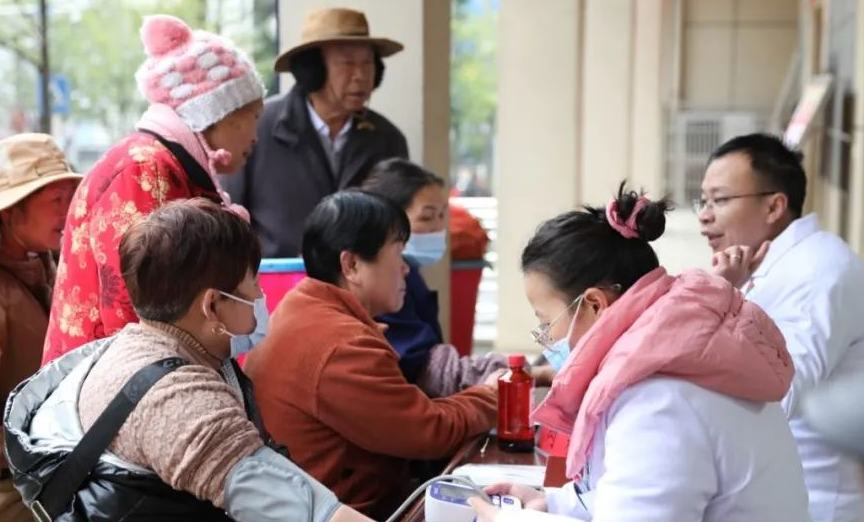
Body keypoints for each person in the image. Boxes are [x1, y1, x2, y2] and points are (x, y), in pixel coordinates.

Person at [5, 199, 374, 522]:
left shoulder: (139, 344)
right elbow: (305, 512)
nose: (262, 296)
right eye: (252, 285)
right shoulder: (178, 403)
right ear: (212, 305)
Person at [469, 184, 808, 522]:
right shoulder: (682, 353)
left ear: (594, 304)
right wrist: (556, 505)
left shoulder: (657, 395)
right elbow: (646, 486)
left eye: (546, 322)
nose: (547, 339)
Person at [245, 191, 497, 519]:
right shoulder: (340, 345)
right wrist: (492, 396)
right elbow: (428, 431)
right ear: (351, 265)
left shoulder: (303, 308)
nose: (406, 268)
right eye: (398, 253)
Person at [42, 14, 266, 363]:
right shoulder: (144, 169)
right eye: (254, 116)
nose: (255, 136)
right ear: (219, 111)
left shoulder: (172, 166)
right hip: (117, 384)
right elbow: (134, 308)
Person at [698, 133, 864, 522]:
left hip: (815, 504)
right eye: (702, 201)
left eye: (720, 200)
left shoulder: (819, 271)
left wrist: (724, 300)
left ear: (774, 206)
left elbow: (780, 388)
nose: (705, 214)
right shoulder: (770, 266)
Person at [223, 7, 409, 257]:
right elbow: (228, 218)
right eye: (347, 63)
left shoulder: (388, 140)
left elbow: (396, 226)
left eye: (367, 63)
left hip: (359, 290)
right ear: (312, 69)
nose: (361, 76)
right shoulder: (258, 127)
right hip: (275, 285)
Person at [361, 158, 553, 396]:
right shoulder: (382, 288)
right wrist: (527, 374)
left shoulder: (409, 274)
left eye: (443, 215)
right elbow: (423, 366)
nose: (439, 227)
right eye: (427, 217)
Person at [0, 133, 81, 521]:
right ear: (11, 210)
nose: (68, 211)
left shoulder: (51, 262)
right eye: (55, 200)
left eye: (71, 197)